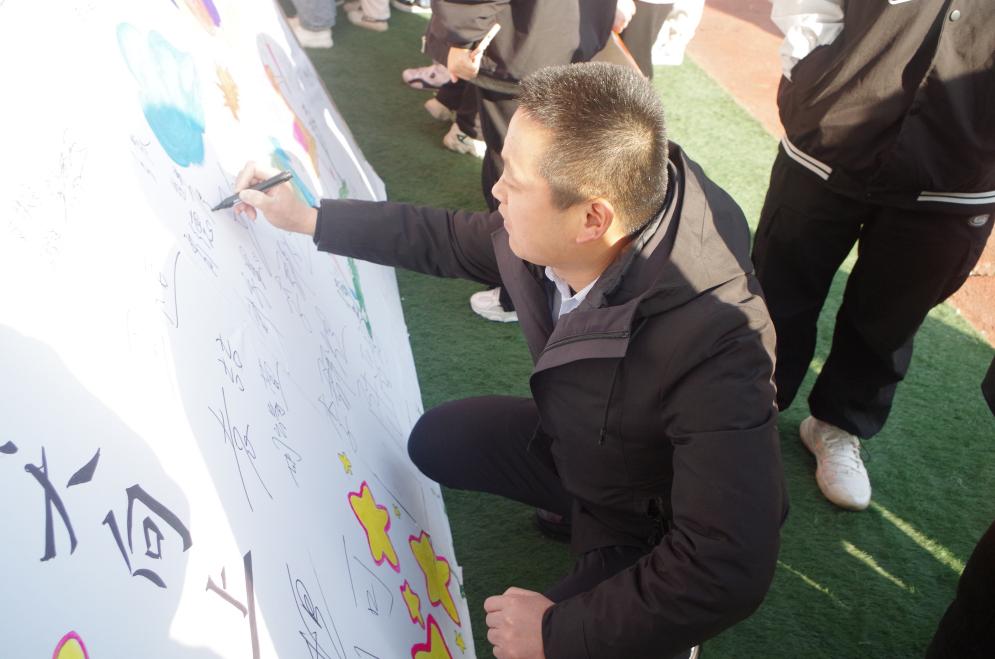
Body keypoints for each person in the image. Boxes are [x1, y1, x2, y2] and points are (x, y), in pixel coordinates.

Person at [233, 62, 786, 659]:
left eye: (514, 183)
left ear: (592, 218)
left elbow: (728, 565)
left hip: (651, 520)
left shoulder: (719, 343)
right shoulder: (579, 224)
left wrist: (556, 633)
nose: (495, 190)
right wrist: (310, 218)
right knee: (439, 441)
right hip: (587, 447)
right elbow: (447, 238)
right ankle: (576, 509)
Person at [752, 0, 995, 511]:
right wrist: (812, 65)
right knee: (777, 289)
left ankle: (838, 425)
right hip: (837, 118)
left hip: (964, 157)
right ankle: (745, 411)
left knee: (891, 318)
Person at [426, 0, 620, 323]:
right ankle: (537, 285)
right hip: (573, 32)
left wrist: (460, 37)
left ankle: (520, 292)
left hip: (524, 42)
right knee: (544, 173)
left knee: (517, 181)